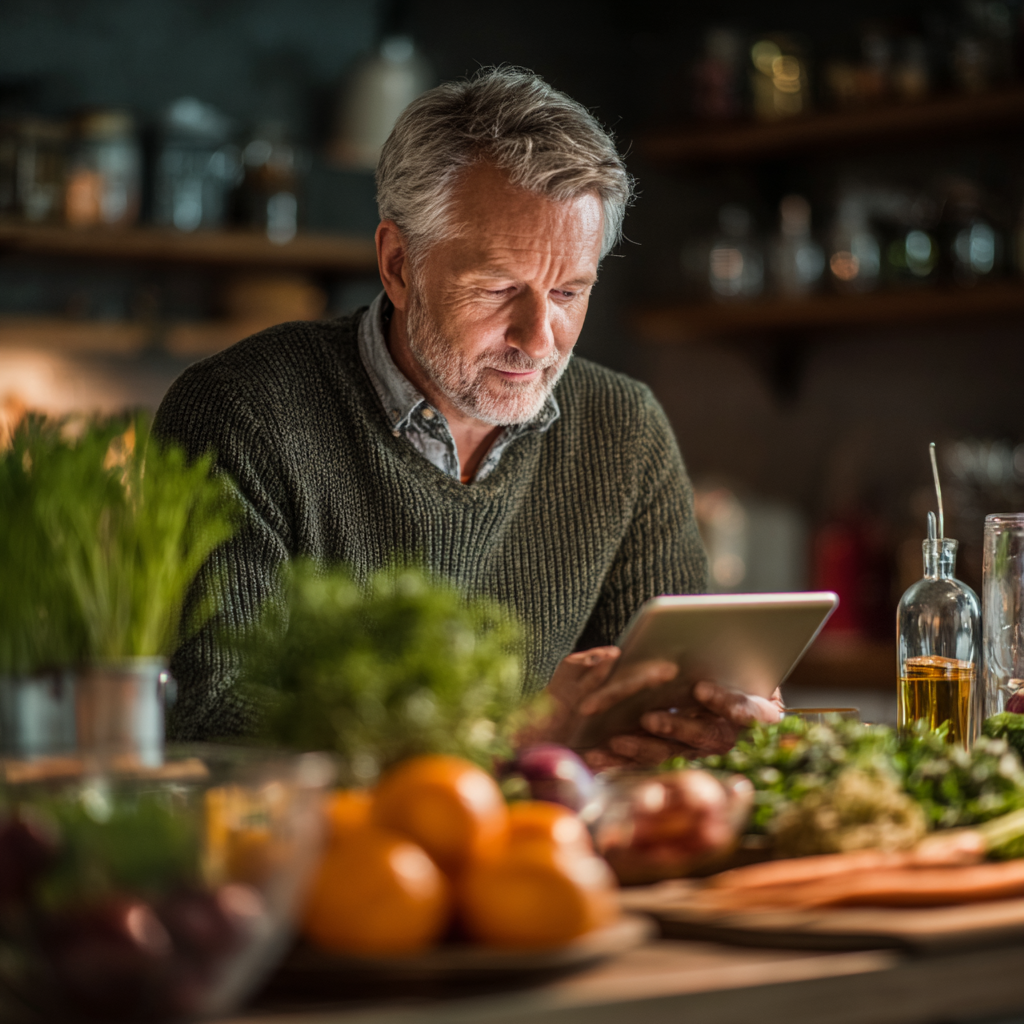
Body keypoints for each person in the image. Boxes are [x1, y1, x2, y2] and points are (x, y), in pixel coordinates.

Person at [154, 67, 782, 763]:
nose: (540, 339)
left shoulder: (623, 427)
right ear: (398, 264)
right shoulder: (241, 411)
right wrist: (515, 737)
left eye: (569, 292)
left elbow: (666, 693)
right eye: (497, 288)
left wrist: (713, 717)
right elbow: (215, 708)